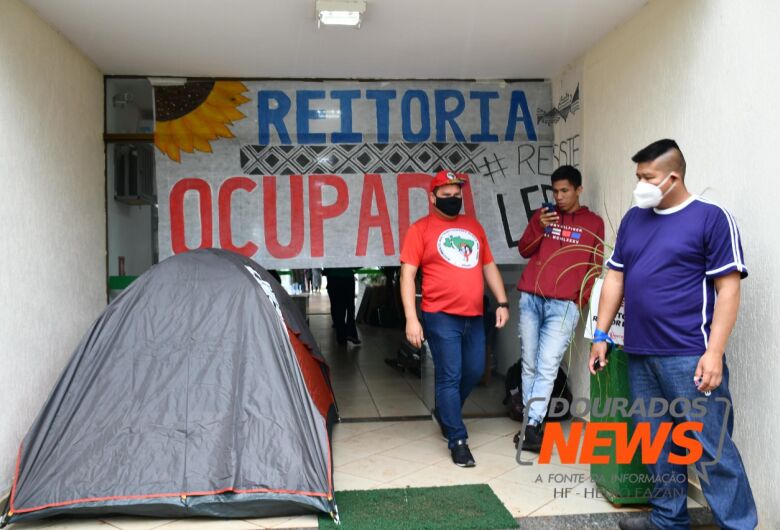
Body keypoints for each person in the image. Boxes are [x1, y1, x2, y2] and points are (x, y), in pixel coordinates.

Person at [589, 140, 757, 530]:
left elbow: (728, 288)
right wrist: (601, 333)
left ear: (672, 177)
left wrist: (714, 353)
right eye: (638, 177)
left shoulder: (711, 218)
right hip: (640, 353)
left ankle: (738, 525)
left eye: (646, 178)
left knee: (711, 448)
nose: (639, 185)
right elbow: (616, 276)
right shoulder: (634, 219)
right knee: (657, 444)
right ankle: (668, 520)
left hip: (689, 355)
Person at [400, 170, 509, 467]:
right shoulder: (419, 229)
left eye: (456, 195)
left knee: (473, 371)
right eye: (445, 196)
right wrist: (412, 318)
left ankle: (447, 414)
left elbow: (488, 265)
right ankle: (457, 439)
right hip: (439, 315)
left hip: (474, 315)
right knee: (450, 374)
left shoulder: (473, 226)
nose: (452, 200)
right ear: (432, 197)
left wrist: (502, 301)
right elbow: (407, 275)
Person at [514, 165, 604, 451]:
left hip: (564, 305)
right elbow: (525, 249)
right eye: (555, 191)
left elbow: (594, 265)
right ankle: (531, 425)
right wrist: (539, 225)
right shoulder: (544, 217)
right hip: (531, 298)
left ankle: (532, 424)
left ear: (579, 189)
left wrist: (580, 300)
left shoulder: (594, 223)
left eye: (565, 190)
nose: (559, 196)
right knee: (529, 363)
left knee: (548, 364)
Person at [324, 267, 360, 346]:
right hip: (348, 277)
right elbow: (358, 264)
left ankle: (341, 338)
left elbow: (325, 264)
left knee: (338, 309)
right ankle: (351, 333)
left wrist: (326, 271)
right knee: (350, 307)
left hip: (333, 278)